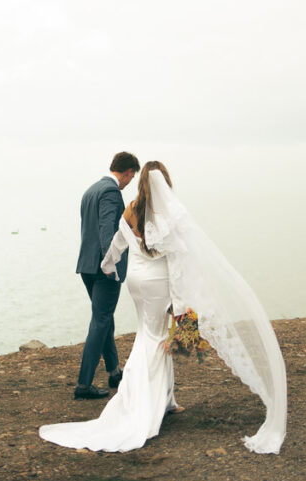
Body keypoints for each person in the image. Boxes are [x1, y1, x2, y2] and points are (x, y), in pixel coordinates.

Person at [40, 161, 287, 454]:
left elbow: (118, 241)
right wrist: (182, 305)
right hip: (158, 283)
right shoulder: (168, 216)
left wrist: (108, 265)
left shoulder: (131, 208)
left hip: (135, 280)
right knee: (157, 340)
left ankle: (166, 400)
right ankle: (145, 405)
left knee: (148, 334)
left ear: (141, 180)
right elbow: (178, 263)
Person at [73, 151, 140, 400]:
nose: (129, 182)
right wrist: (109, 263)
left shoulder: (90, 190)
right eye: (131, 178)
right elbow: (106, 228)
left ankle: (114, 371)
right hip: (104, 268)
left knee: (104, 318)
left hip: (86, 266)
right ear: (128, 172)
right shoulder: (112, 193)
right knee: (100, 321)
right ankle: (83, 384)